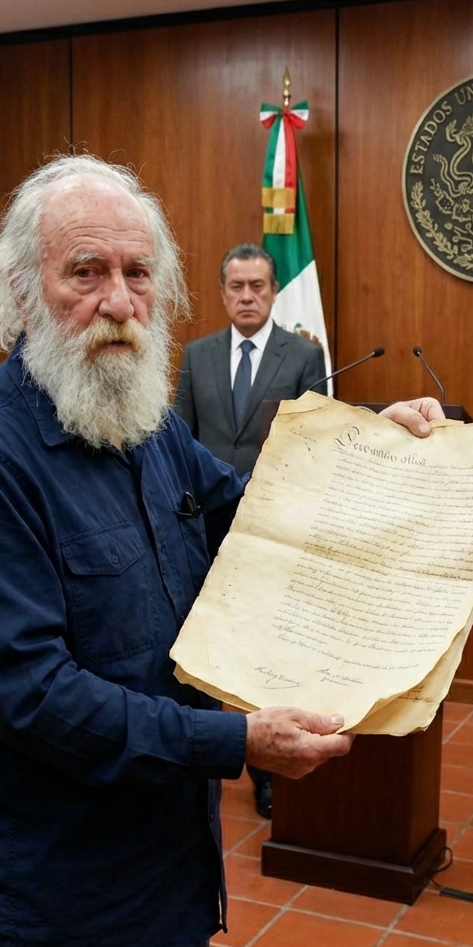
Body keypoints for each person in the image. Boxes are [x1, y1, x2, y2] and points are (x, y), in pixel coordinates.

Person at [0, 154, 442, 947]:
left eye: (137, 273)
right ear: (19, 292)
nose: (118, 302)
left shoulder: (145, 423)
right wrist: (236, 743)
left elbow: (259, 511)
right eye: (85, 273)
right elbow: (32, 697)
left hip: (174, 872)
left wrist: (370, 446)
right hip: (67, 907)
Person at [173, 243, 326, 818]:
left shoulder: (302, 356)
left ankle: (264, 767)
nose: (246, 296)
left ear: (273, 291)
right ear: (222, 292)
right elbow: (178, 440)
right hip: (207, 526)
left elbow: (313, 438)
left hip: (274, 523)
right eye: (236, 286)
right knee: (211, 642)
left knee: (265, 648)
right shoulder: (197, 355)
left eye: (257, 286)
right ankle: (207, 747)